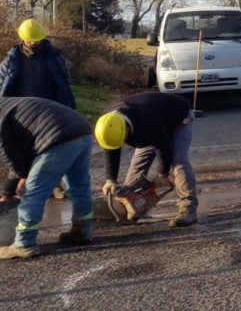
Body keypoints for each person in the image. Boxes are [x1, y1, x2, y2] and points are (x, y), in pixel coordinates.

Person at [0, 96, 94, 259]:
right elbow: (19, 151)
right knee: (78, 186)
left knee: (34, 191)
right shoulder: (7, 105)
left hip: (57, 137)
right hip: (82, 130)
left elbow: (9, 153)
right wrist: (8, 191)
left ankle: (24, 243)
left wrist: (23, 176)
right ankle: (82, 230)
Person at [94, 91, 198, 227]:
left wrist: (163, 174)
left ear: (126, 130)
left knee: (178, 160)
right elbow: (111, 149)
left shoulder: (148, 122)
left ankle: (188, 208)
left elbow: (163, 147)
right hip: (149, 122)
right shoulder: (108, 124)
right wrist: (111, 179)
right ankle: (127, 208)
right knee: (137, 164)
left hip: (179, 116)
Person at [0, 19, 75, 202]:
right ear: (22, 38)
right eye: (30, 40)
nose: (34, 43)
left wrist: (68, 110)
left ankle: (52, 185)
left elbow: (64, 84)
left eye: (37, 40)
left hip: (49, 109)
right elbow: (3, 83)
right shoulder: (12, 58)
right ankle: (9, 191)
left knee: (48, 148)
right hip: (20, 111)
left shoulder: (54, 56)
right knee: (22, 150)